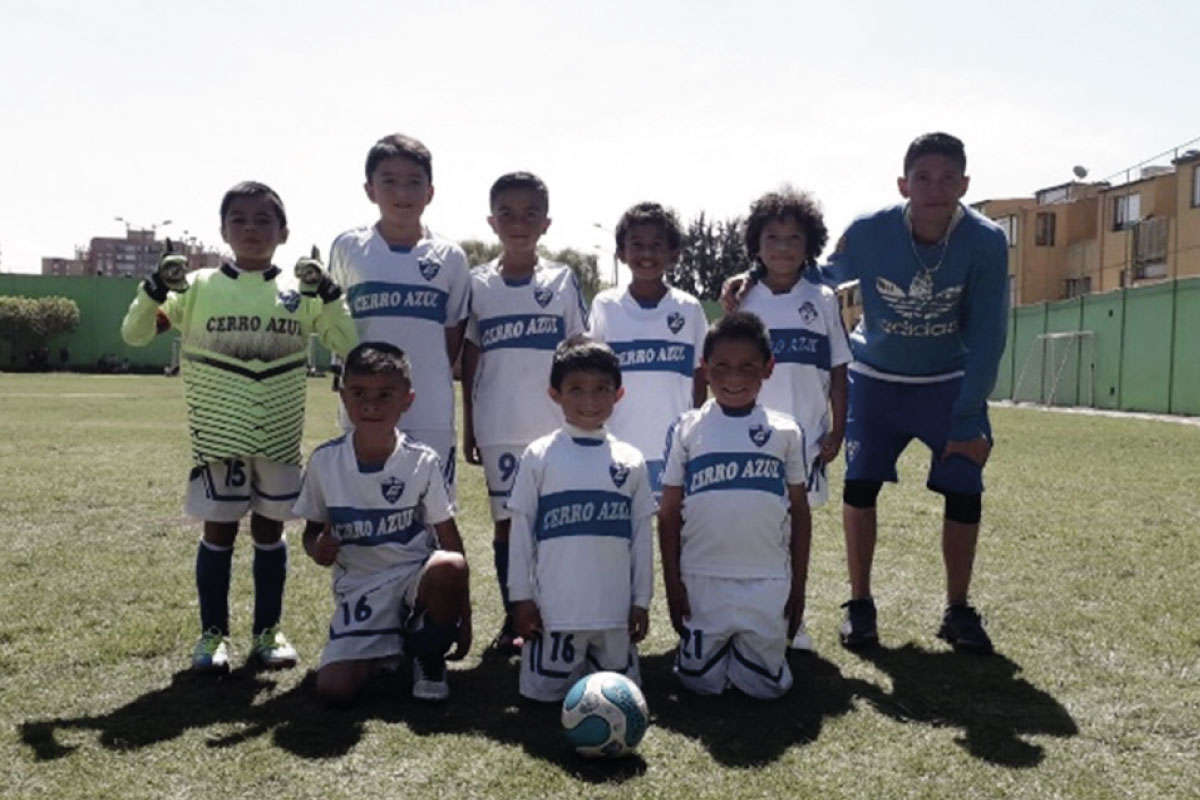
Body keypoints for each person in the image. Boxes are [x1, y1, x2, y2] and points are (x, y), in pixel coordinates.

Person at [724, 133, 1008, 654]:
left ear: (966, 184)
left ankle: (958, 609)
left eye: (948, 178)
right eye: (923, 177)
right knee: (860, 487)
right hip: (876, 379)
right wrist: (753, 272)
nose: (935, 188)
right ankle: (860, 605)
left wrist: (968, 414)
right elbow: (816, 270)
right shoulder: (871, 230)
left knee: (965, 486)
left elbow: (991, 332)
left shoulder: (987, 241)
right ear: (903, 183)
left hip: (947, 381)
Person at [120, 181, 357, 673]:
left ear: (284, 232)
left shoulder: (301, 293)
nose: (251, 229)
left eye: (264, 220)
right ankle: (212, 636)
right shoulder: (199, 286)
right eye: (240, 220)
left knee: (271, 533)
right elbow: (136, 334)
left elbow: (348, 343)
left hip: (276, 438)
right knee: (219, 532)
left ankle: (267, 633)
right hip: (219, 439)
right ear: (223, 229)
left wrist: (330, 294)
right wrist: (154, 288)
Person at [294, 342, 471, 705]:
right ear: (343, 397)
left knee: (449, 566)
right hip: (360, 586)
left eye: (385, 394)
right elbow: (312, 532)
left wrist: (464, 616)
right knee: (334, 691)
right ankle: (389, 647)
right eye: (359, 394)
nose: (371, 405)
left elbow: (449, 538)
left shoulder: (422, 461)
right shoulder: (325, 462)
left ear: (407, 399)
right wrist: (317, 548)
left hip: (412, 577)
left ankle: (427, 654)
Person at [459, 172, 589, 654]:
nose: (519, 222)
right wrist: (470, 425)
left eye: (530, 213)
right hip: (498, 426)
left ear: (546, 222)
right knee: (508, 525)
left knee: (553, 521)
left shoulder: (561, 280)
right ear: (492, 222)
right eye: (507, 214)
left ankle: (556, 611)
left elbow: (580, 347)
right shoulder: (477, 283)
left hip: (553, 426)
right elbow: (471, 358)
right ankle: (515, 616)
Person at [659, 313, 811, 699]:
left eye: (748, 367)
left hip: (767, 578)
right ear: (705, 369)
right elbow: (669, 513)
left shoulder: (786, 431)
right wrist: (674, 584)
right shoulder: (686, 428)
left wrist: (798, 586)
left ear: (769, 368)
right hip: (702, 579)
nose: (734, 377)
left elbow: (800, 512)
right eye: (722, 366)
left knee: (766, 690)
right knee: (698, 684)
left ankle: (750, 650)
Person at [506, 338, 655, 701]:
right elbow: (521, 532)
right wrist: (520, 598)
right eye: (576, 390)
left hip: (613, 612)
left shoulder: (631, 459)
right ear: (554, 394)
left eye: (601, 390)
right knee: (541, 696)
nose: (589, 402)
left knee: (621, 696)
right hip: (556, 612)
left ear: (618, 394)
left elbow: (641, 537)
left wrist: (641, 600)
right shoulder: (539, 455)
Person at [735, 188, 851, 651]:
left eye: (793, 237)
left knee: (792, 531)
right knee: (752, 526)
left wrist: (838, 427)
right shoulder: (743, 298)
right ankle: (746, 615)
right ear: (757, 245)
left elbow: (839, 369)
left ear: (809, 245)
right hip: (751, 437)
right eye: (773, 237)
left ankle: (790, 620)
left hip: (805, 439)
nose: (782, 247)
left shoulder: (822, 299)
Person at [328, 133, 471, 500]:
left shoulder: (450, 256)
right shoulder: (348, 248)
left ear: (430, 192)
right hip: (365, 405)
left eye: (413, 182)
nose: (402, 193)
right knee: (364, 502)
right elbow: (333, 322)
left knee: (433, 509)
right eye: (389, 181)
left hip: (430, 406)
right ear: (369, 189)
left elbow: (451, 335)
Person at [588, 202, 708, 496]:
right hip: (618, 443)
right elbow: (591, 372)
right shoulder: (606, 306)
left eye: (656, 245)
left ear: (674, 254)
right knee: (620, 530)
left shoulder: (688, 308)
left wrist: (696, 430)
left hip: (673, 446)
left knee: (673, 528)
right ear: (620, 252)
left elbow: (702, 374)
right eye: (637, 245)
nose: (646, 254)